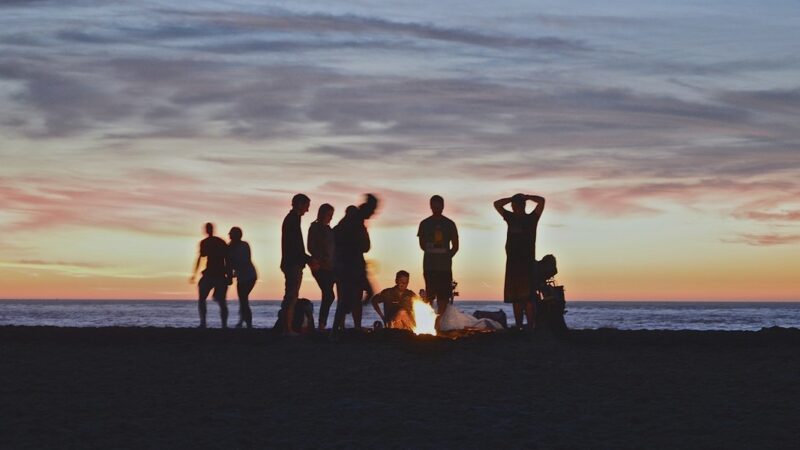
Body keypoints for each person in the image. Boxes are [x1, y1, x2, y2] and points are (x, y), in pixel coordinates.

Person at [494, 193, 545, 330]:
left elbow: (541, 201)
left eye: (516, 205)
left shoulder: (531, 218)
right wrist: (511, 198)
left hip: (527, 263)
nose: (514, 208)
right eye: (513, 205)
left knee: (528, 298)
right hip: (512, 263)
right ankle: (518, 326)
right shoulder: (510, 218)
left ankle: (530, 326)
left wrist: (527, 196)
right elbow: (497, 204)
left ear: (522, 206)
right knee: (515, 298)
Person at [331, 194, 378, 335]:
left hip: (349, 265)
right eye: (373, 210)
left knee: (351, 297)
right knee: (355, 296)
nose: (374, 214)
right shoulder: (355, 222)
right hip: (350, 265)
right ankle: (336, 330)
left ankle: (337, 329)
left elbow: (364, 246)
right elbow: (365, 246)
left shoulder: (345, 225)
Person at [417, 195, 459, 315]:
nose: (436, 208)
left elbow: (455, 247)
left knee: (443, 296)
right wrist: (433, 252)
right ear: (430, 206)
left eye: (438, 205)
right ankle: (429, 320)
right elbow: (421, 245)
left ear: (443, 206)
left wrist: (446, 256)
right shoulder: (424, 223)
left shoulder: (450, 224)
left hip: (444, 268)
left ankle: (439, 321)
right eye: (434, 205)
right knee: (430, 295)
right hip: (429, 266)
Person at [280, 193, 315, 336]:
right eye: (307, 206)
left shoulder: (293, 219)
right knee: (292, 296)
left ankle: (285, 327)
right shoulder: (292, 220)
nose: (307, 210)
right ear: (300, 204)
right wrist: (308, 259)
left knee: (291, 295)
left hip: (292, 262)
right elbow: (296, 246)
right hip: (292, 263)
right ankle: (287, 329)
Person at [190, 222, 231, 328]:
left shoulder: (217, 242)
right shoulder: (209, 242)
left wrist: (229, 275)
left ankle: (221, 325)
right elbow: (200, 257)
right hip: (212, 274)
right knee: (205, 299)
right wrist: (194, 273)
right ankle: (205, 322)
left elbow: (227, 259)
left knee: (220, 301)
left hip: (218, 274)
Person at [307, 203, 336, 330]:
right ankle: (321, 324)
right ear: (322, 213)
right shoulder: (315, 227)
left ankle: (322, 324)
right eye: (328, 214)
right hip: (319, 266)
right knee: (329, 295)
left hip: (331, 266)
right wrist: (319, 259)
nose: (330, 217)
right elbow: (311, 246)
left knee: (328, 295)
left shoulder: (330, 230)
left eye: (331, 215)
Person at [228, 226, 257, 329]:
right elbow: (230, 264)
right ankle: (242, 321)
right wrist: (231, 275)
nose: (229, 235)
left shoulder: (244, 245)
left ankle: (248, 324)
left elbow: (245, 260)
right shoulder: (230, 247)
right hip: (241, 276)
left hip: (250, 276)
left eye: (231, 234)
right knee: (243, 299)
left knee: (244, 299)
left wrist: (232, 274)